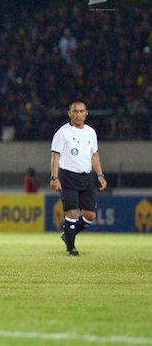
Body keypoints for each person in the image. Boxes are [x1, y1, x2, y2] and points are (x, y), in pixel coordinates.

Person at [50, 99, 107, 256]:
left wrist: (100, 175)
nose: (78, 114)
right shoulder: (63, 133)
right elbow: (55, 156)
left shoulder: (91, 132)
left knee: (90, 215)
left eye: (81, 111)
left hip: (86, 178)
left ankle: (68, 235)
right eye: (75, 111)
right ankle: (71, 248)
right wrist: (54, 177)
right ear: (70, 113)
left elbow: (94, 155)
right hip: (68, 176)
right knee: (72, 213)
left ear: (86, 114)